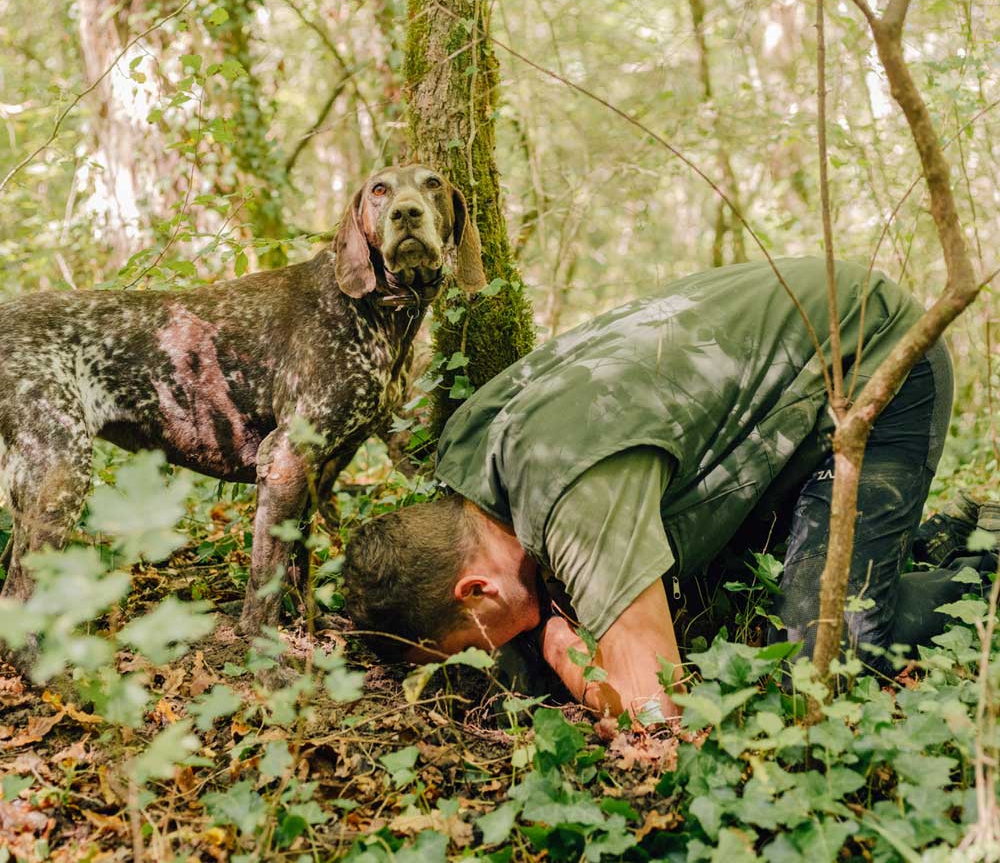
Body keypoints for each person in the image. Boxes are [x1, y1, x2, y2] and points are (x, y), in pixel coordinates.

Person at [342, 257, 996, 721]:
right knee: (744, 608)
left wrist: (568, 657)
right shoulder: (470, 449)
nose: (494, 653)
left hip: (877, 361)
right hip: (788, 394)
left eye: (475, 644)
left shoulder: (571, 497)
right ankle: (940, 533)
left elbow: (656, 709)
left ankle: (985, 560)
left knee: (831, 646)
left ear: (475, 590)